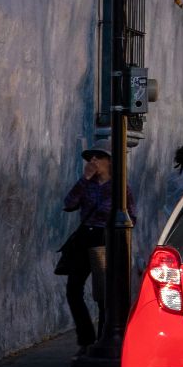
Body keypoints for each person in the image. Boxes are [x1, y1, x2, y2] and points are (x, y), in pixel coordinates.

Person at [57, 148, 113, 351]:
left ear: (109, 161)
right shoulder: (86, 184)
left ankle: (103, 340)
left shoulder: (118, 187)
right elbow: (69, 203)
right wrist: (84, 178)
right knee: (73, 289)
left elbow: (131, 215)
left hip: (103, 240)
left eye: (99, 157)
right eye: (91, 158)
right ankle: (86, 337)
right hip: (84, 238)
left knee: (102, 293)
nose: (94, 161)